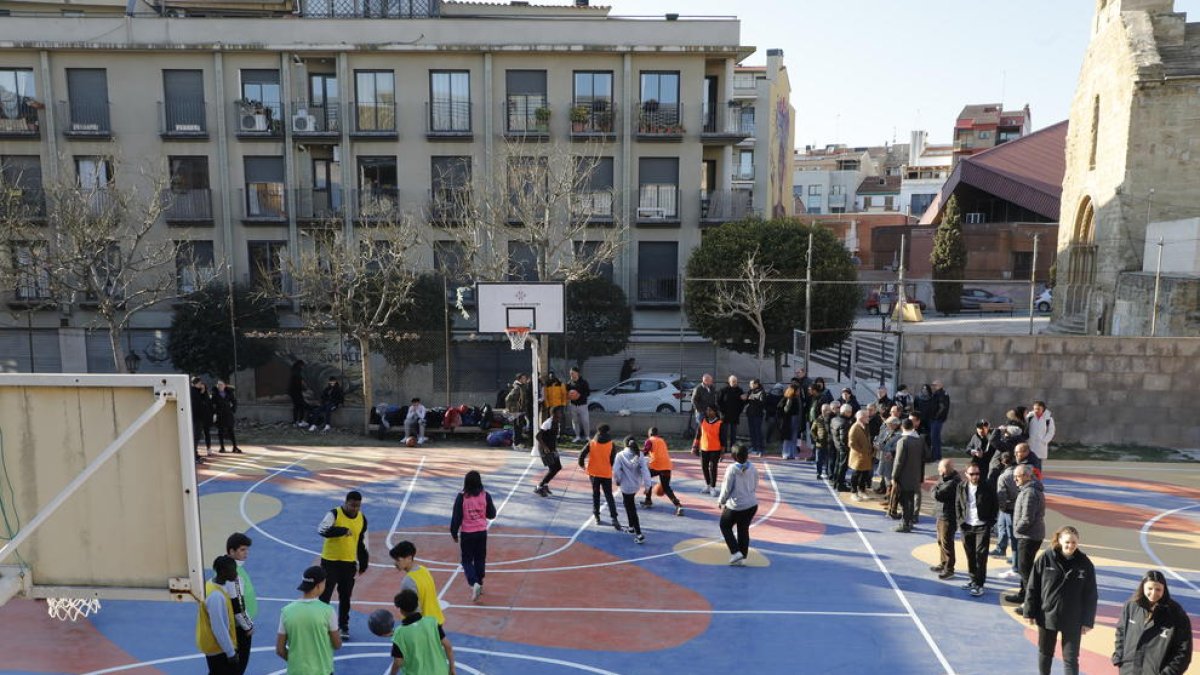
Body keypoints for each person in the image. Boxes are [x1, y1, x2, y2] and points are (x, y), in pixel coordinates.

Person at [1023, 526, 1098, 675]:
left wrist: (1088, 621)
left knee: (1071, 658)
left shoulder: (1085, 564)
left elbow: (1091, 595)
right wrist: (1029, 612)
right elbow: (1033, 587)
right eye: (1067, 542)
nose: (1070, 546)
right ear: (1059, 540)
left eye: (1074, 543)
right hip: (1047, 616)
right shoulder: (1045, 558)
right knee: (1045, 652)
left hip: (1073, 619)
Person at [1113, 570, 1193, 675]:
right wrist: (1119, 656)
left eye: (1158, 589)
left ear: (1164, 589)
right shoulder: (1131, 606)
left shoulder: (1176, 614)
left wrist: (1169, 673)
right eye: (1150, 588)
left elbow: (1183, 650)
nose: (1154, 593)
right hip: (1129, 670)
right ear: (1143, 587)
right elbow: (1121, 632)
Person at [317, 490, 369, 639]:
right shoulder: (334, 514)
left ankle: (343, 627)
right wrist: (341, 530)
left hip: (348, 563)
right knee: (325, 596)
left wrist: (364, 561)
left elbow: (361, 542)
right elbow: (321, 529)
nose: (355, 509)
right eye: (352, 505)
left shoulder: (362, 519)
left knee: (345, 597)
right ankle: (321, 625)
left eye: (358, 506)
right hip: (330, 562)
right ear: (345, 502)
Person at [276, 566, 341, 674]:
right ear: (319, 585)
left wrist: (295, 662)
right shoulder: (328, 611)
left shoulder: (286, 611)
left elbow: (280, 650)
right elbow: (337, 644)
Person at [450, 470, 496, 602]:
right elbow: (492, 514)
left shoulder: (462, 497)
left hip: (467, 533)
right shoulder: (485, 495)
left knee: (466, 560)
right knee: (480, 558)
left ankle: (473, 582)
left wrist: (454, 533)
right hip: (481, 532)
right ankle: (479, 582)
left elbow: (456, 517)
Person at [388, 589, 456, 675]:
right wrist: (452, 668)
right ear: (417, 605)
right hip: (441, 672)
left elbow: (398, 661)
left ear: (401, 611)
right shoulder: (432, 622)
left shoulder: (399, 633)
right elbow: (448, 646)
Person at [1006, 464, 1045, 610]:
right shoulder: (1027, 490)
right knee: (1024, 568)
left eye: (1018, 476)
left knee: (1025, 570)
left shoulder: (1030, 493)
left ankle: (1031, 603)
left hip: (1028, 536)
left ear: (1027, 476)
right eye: (1014, 476)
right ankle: (1023, 595)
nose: (1015, 479)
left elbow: (1027, 518)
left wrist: (1016, 530)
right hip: (1028, 535)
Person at [957, 461, 998, 597]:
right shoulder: (961, 486)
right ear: (966, 474)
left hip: (982, 526)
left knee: (981, 556)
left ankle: (979, 584)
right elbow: (958, 504)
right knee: (970, 555)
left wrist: (990, 523)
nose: (975, 476)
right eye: (972, 474)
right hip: (966, 526)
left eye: (978, 474)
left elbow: (995, 504)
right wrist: (960, 521)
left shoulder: (987, 487)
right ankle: (973, 579)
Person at [196, 555, 240, 675]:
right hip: (218, 649)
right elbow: (218, 627)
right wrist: (231, 652)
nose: (236, 573)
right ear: (223, 572)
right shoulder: (216, 596)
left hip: (214, 646)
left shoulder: (210, 584)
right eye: (233, 570)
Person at [717, 445, 758, 566]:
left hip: (736, 505)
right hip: (751, 504)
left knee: (724, 525)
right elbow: (756, 484)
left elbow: (726, 488)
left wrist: (721, 500)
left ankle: (735, 552)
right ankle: (742, 557)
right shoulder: (753, 467)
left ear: (733, 456)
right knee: (743, 529)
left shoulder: (732, 469)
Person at [389, 541, 445, 626]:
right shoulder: (424, 570)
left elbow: (413, 611)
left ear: (409, 558)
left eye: (398, 560)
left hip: (424, 626)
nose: (395, 563)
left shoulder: (408, 581)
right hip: (436, 620)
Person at [578, 424, 622, 530]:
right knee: (609, 495)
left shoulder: (592, 443)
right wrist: (609, 467)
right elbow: (613, 460)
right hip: (605, 473)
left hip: (593, 473)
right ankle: (614, 518)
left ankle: (597, 516)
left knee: (596, 494)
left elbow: (581, 455)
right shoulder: (611, 444)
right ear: (607, 432)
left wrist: (582, 465)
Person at [225, 533, 257, 675]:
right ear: (232, 551)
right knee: (238, 667)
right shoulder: (233, 573)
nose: (247, 553)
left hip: (234, 625)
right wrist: (248, 626)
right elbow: (237, 603)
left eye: (247, 549)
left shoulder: (229, 567)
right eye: (243, 550)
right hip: (239, 628)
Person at [613, 436, 652, 544]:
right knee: (627, 504)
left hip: (625, 486)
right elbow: (645, 471)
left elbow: (616, 471)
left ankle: (639, 534)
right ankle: (631, 527)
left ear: (625, 444)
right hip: (635, 485)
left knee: (631, 508)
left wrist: (617, 480)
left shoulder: (620, 455)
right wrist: (647, 486)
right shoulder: (639, 455)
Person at [891, 418, 925, 532]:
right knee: (910, 499)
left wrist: (894, 476)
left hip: (904, 476)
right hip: (915, 475)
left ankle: (905, 523)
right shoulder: (919, 440)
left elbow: (899, 461)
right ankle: (910, 521)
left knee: (904, 500)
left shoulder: (903, 441)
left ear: (902, 427)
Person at [642, 426, 683, 516]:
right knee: (666, 488)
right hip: (667, 466)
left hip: (655, 465)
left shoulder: (650, 440)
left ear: (650, 434)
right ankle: (678, 505)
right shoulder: (662, 441)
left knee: (646, 478)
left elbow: (645, 452)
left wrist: (636, 454)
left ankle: (648, 500)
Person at [931, 459, 960, 580]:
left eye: (940, 468)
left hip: (948, 516)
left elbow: (937, 494)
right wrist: (936, 487)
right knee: (940, 541)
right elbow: (936, 490)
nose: (938, 470)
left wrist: (935, 488)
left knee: (947, 542)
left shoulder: (953, 483)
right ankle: (943, 563)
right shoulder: (945, 479)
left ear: (945, 469)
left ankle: (949, 569)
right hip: (941, 514)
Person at [994, 451, 1021, 579]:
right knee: (1016, 538)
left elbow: (1002, 496)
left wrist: (1002, 508)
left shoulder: (1003, 477)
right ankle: (1016, 561)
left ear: (1002, 461)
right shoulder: (1020, 472)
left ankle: (1016, 567)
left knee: (1013, 539)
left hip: (1008, 510)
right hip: (1018, 509)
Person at [692, 405, 724, 495]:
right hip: (704, 448)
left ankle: (713, 487)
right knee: (704, 467)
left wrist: (722, 452)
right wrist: (695, 446)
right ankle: (708, 485)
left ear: (715, 412)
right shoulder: (703, 421)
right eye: (707, 410)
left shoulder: (720, 423)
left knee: (713, 468)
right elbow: (698, 434)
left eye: (710, 410)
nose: (708, 412)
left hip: (715, 449)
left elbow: (723, 439)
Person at [533, 410, 562, 497]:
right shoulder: (547, 423)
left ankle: (545, 485)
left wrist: (555, 449)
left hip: (552, 448)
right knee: (553, 469)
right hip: (545, 448)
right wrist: (545, 447)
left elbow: (553, 437)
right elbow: (538, 436)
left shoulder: (557, 423)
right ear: (553, 414)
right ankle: (539, 487)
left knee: (558, 467)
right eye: (559, 412)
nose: (561, 414)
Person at [847, 410, 874, 501]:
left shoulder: (865, 426)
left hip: (866, 456)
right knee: (856, 475)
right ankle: (853, 492)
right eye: (867, 416)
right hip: (858, 457)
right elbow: (851, 444)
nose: (868, 418)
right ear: (861, 418)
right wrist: (862, 451)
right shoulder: (854, 428)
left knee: (864, 474)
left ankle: (862, 491)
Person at [716, 375, 746, 451]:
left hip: (735, 415)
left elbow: (742, 403)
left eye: (735, 381)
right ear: (729, 381)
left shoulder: (740, 390)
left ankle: (733, 449)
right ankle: (724, 448)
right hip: (725, 415)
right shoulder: (723, 390)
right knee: (724, 433)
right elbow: (718, 402)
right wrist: (722, 411)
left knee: (733, 434)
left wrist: (739, 411)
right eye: (733, 381)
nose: (734, 383)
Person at [873, 415, 902, 495]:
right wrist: (877, 443)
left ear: (895, 424)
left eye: (889, 424)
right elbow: (880, 439)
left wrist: (882, 447)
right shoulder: (888, 431)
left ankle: (889, 495)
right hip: (883, 456)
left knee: (889, 477)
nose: (887, 426)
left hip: (891, 459)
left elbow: (896, 448)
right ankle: (883, 489)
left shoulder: (899, 435)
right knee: (883, 475)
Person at [213, 379, 241, 453]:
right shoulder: (215, 394)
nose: (220, 386)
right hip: (220, 415)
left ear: (224, 385)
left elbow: (234, 402)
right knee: (220, 432)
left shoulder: (229, 393)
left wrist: (232, 410)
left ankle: (235, 447)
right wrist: (215, 413)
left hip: (228, 414)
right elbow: (212, 404)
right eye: (218, 385)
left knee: (231, 431)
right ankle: (222, 448)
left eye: (221, 385)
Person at [830, 403, 853, 491]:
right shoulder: (845, 422)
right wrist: (848, 447)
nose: (851, 414)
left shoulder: (834, 419)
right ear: (846, 412)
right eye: (850, 412)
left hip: (837, 446)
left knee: (837, 464)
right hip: (843, 448)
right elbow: (844, 438)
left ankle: (836, 482)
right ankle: (840, 484)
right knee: (842, 467)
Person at [777, 379, 802, 460]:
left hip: (794, 418)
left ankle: (792, 453)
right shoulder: (789, 398)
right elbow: (785, 409)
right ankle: (786, 453)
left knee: (793, 437)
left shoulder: (795, 398)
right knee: (788, 436)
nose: (799, 392)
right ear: (794, 391)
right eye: (798, 390)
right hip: (789, 419)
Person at [566, 367, 591, 443]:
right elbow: (567, 393)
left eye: (572, 373)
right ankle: (577, 436)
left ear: (577, 373)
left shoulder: (583, 382)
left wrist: (579, 395)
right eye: (570, 373)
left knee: (585, 421)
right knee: (575, 421)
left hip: (582, 405)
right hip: (573, 405)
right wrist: (569, 396)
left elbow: (588, 393)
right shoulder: (569, 383)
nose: (571, 374)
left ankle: (587, 436)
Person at [504, 374, 529, 451]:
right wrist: (512, 408)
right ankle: (516, 444)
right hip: (517, 411)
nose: (525, 379)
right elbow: (508, 398)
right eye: (524, 378)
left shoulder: (522, 387)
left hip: (520, 411)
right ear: (520, 379)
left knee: (519, 427)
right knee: (517, 428)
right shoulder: (517, 388)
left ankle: (517, 443)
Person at [191, 377, 213, 462]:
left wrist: (203, 392)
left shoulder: (198, 391)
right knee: (195, 437)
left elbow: (206, 401)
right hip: (196, 417)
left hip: (200, 417)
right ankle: (193, 455)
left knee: (197, 436)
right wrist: (202, 394)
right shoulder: (193, 392)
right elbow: (199, 404)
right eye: (199, 384)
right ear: (194, 384)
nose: (201, 385)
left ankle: (195, 453)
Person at [744, 379, 767, 457]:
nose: (750, 385)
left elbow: (762, 404)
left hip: (758, 415)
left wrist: (753, 398)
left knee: (758, 431)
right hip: (750, 414)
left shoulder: (762, 392)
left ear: (756, 384)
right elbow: (747, 401)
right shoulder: (750, 391)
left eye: (752, 384)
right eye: (750, 384)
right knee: (752, 431)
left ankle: (760, 449)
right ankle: (753, 447)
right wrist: (745, 398)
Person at [810, 403, 833, 481]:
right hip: (819, 444)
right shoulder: (817, 420)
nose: (825, 412)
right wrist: (816, 439)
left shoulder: (831, 419)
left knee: (828, 460)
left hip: (828, 443)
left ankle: (827, 473)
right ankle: (818, 473)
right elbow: (812, 431)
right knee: (818, 460)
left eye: (826, 410)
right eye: (823, 410)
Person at [929, 380, 950, 462]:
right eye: (933, 385)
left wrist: (935, 416)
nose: (933, 386)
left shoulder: (941, 394)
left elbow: (942, 407)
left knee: (934, 438)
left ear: (940, 385)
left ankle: (936, 457)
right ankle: (937, 456)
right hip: (937, 419)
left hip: (937, 419)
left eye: (935, 385)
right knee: (935, 438)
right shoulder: (938, 393)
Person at [288, 360, 308, 428]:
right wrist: (303, 388)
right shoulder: (297, 373)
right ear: (300, 365)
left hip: (293, 392)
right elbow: (298, 384)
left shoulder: (294, 372)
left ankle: (296, 421)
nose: (303, 367)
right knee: (301, 406)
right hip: (296, 392)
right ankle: (301, 421)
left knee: (297, 407)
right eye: (302, 365)